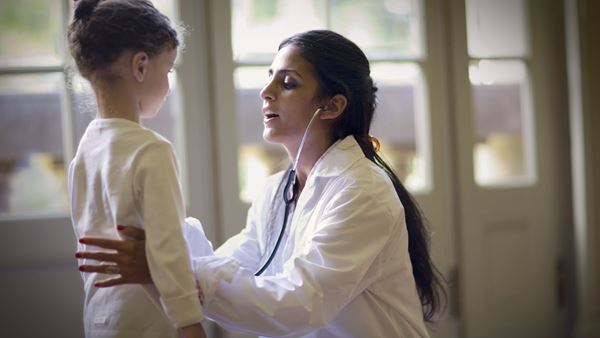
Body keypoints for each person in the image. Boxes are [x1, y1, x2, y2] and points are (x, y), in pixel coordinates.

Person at [77, 29, 446, 337]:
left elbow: (298, 305)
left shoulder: (363, 194)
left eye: (287, 83)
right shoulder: (277, 192)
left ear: (332, 107)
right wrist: (162, 239)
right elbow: (231, 268)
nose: (265, 91)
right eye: (269, 76)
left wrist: (167, 268)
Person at [67, 1, 207, 337]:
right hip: (148, 323)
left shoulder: (85, 151)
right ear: (141, 66)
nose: (169, 85)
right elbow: (168, 251)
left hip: (101, 318)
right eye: (168, 69)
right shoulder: (151, 151)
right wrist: (191, 324)